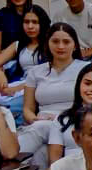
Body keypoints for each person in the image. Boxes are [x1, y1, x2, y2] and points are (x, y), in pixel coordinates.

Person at [20, 23, 87, 155]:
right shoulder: (35, 72)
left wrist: (58, 118)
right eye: (55, 41)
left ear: (75, 45)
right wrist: (35, 119)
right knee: (39, 153)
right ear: (47, 44)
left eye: (66, 42)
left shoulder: (86, 69)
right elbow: (27, 109)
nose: (60, 46)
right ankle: (15, 169)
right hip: (43, 123)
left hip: (73, 120)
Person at [0, 5, 50, 114]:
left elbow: (47, 74)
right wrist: (0, 73)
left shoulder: (50, 44)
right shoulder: (18, 45)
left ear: (42, 23)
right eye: (26, 22)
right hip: (20, 83)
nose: (30, 26)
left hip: (40, 86)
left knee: (7, 109)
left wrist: (16, 89)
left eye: (35, 22)